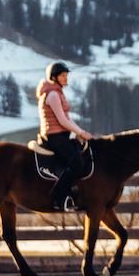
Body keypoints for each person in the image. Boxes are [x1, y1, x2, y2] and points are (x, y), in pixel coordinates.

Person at [35, 61, 94, 210]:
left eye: (66, 75)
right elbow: (62, 120)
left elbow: (67, 118)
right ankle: (58, 196)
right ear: (54, 77)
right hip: (54, 136)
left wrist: (80, 132)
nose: (66, 78)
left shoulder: (58, 92)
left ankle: (72, 195)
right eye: (63, 75)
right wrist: (80, 132)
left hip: (61, 135)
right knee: (76, 163)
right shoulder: (53, 95)